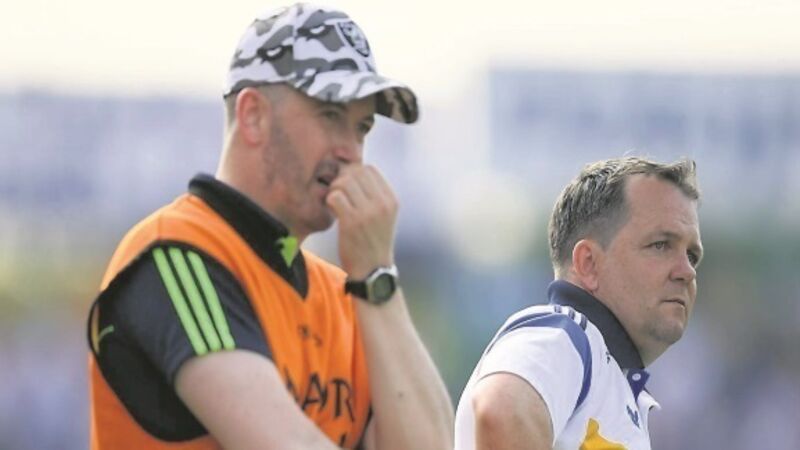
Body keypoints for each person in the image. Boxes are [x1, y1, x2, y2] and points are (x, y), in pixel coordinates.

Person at [86, 4, 454, 449]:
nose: (351, 151)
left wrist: (379, 278)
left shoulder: (347, 295)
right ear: (253, 116)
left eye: (361, 128)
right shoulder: (173, 255)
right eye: (330, 115)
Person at [454, 157, 704, 449]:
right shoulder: (565, 335)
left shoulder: (606, 375)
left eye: (692, 256)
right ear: (589, 264)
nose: (687, 271)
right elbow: (503, 411)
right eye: (660, 245)